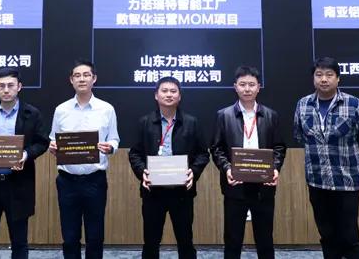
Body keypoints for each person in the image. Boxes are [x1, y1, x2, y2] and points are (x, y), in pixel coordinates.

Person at [293, 57, 359, 259]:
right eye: (319, 75)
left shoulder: (355, 105)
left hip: (346, 182)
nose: (323, 79)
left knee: (349, 236)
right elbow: (299, 136)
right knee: (327, 235)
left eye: (329, 75)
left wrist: (352, 161)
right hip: (317, 181)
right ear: (313, 78)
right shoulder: (303, 105)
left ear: (338, 78)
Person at [0, 67, 50, 259]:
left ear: (19, 87)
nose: (6, 90)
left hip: (19, 183)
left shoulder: (32, 113)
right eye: (2, 86)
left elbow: (42, 142)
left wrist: (25, 155)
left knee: (19, 241)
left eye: (11, 85)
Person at [128, 76, 209, 259]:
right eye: (164, 91)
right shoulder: (145, 122)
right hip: (153, 191)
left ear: (179, 96)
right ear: (156, 95)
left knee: (185, 240)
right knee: (151, 241)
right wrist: (142, 172)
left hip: (182, 191)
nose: (169, 94)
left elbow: (203, 154)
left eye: (173, 91)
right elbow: (135, 154)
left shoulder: (191, 122)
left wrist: (193, 171)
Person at [211, 66, 286, 259]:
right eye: (242, 84)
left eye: (251, 84)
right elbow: (217, 148)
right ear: (235, 87)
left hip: (264, 185)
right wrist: (227, 168)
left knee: (265, 239)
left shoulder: (271, 115)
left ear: (258, 87)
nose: (247, 89)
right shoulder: (224, 115)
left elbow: (279, 147)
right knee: (232, 239)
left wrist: (275, 168)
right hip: (235, 185)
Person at [49, 59, 120, 259]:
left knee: (95, 235)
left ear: (94, 79)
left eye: (86, 75)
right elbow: (53, 138)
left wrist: (110, 147)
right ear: (71, 80)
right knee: (69, 236)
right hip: (67, 181)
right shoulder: (61, 109)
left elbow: (114, 139)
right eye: (77, 75)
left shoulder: (107, 109)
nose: (82, 79)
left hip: (94, 180)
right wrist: (53, 146)